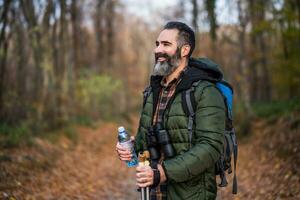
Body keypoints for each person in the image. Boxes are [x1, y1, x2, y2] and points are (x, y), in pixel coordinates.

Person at [116, 21, 225, 200]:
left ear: (185, 50)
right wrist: (132, 149)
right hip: (153, 194)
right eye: (157, 44)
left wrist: (162, 172)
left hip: (191, 195)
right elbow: (148, 144)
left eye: (166, 44)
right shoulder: (153, 91)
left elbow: (210, 147)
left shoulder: (205, 91)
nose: (158, 50)